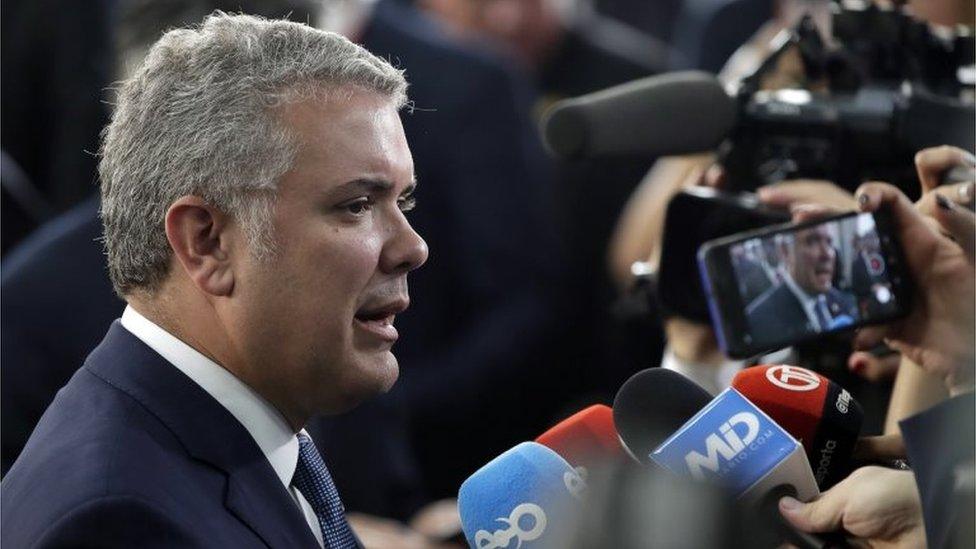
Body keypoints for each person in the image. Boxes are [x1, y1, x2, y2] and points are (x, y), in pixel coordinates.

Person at [0, 13, 428, 548]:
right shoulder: (121, 521)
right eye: (357, 205)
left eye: (403, 200)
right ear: (207, 242)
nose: (413, 247)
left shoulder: (244, 435)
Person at [745, 225, 858, 343]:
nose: (827, 254)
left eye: (829, 242)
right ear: (785, 251)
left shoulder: (847, 304)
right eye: (812, 241)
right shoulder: (757, 322)